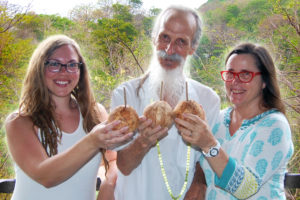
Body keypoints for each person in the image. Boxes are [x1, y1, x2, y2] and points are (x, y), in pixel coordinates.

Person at [111, 5, 220, 200]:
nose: (169, 50)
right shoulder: (125, 97)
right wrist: (143, 141)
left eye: (181, 42)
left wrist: (200, 180)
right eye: (165, 37)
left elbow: (210, 155)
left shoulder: (208, 100)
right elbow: (123, 167)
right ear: (154, 38)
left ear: (192, 48)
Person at [4, 34, 133, 200]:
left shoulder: (94, 114)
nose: (64, 72)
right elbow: (46, 176)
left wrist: (108, 184)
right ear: (39, 68)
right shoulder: (19, 122)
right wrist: (92, 141)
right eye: (54, 64)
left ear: (80, 70)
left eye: (72, 64)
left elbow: (112, 160)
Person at [175, 42, 294, 199]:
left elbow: (245, 187)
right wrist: (199, 181)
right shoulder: (218, 118)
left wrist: (208, 144)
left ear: (264, 81)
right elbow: (201, 161)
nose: (235, 81)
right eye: (230, 74)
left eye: (246, 75)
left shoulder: (274, 125)